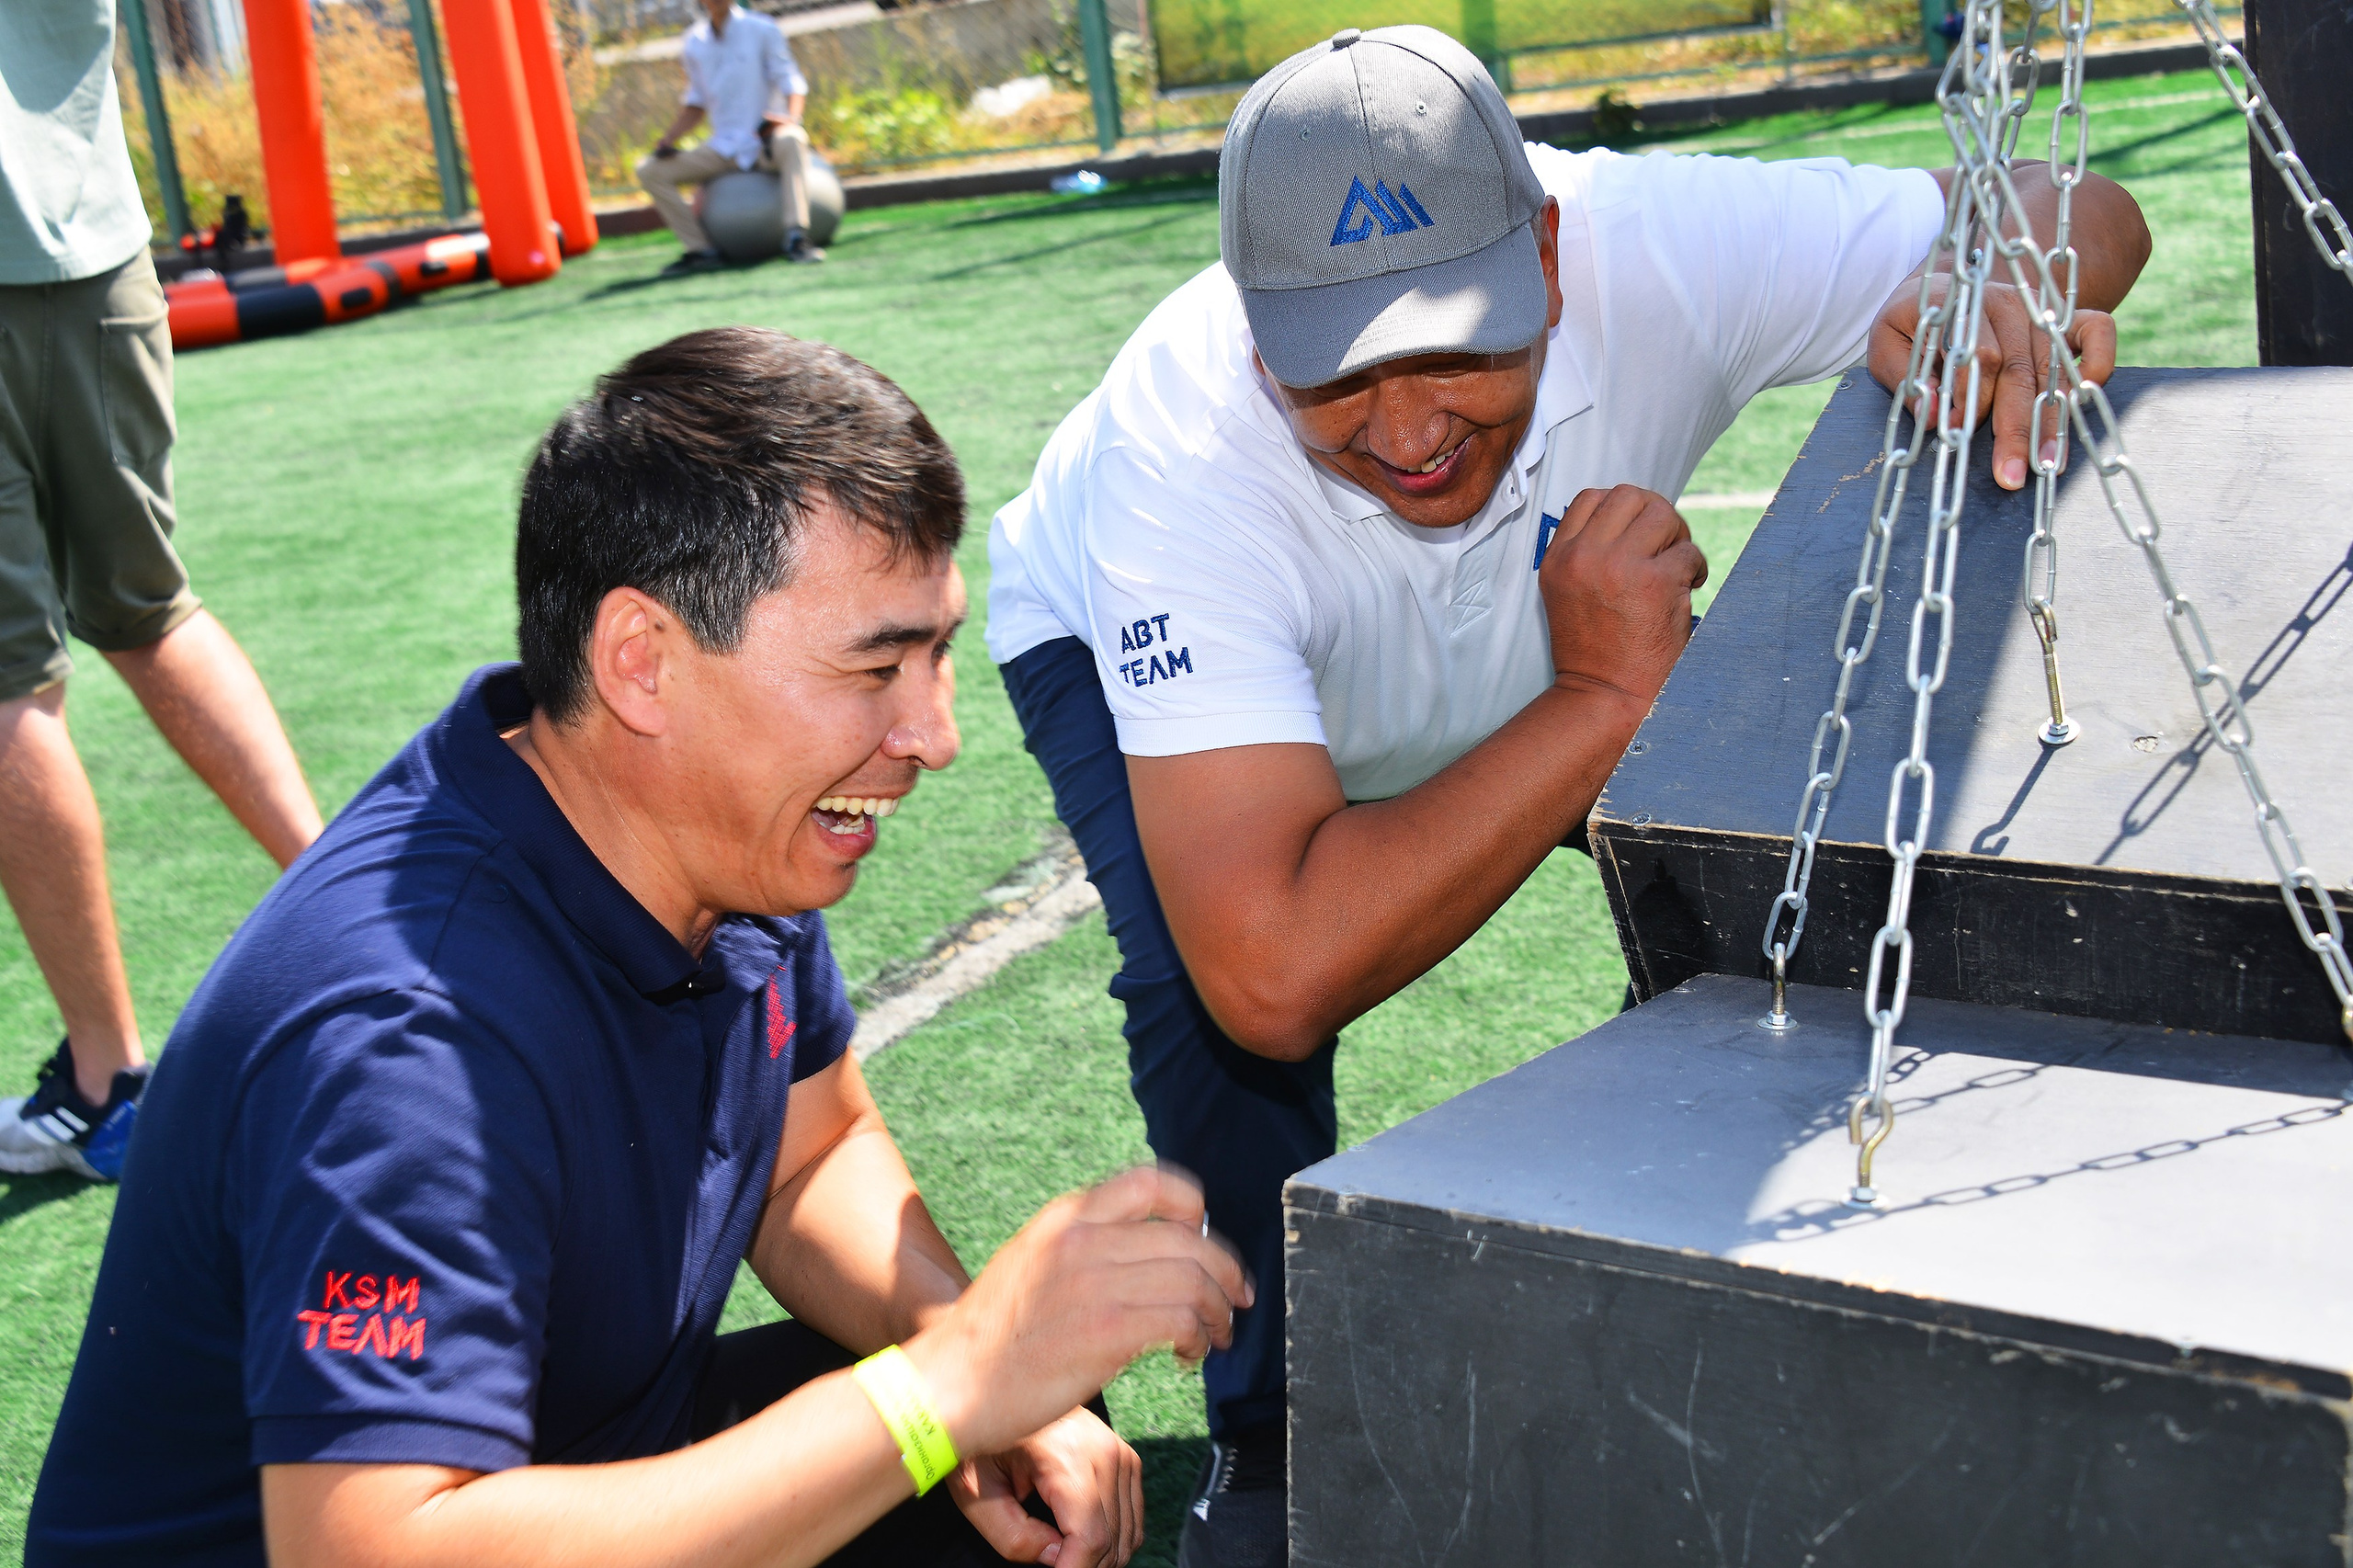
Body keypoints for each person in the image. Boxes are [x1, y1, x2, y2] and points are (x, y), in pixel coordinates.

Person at [985, 24, 2152, 1564]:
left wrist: (1997, 280)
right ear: (1256, 331)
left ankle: (1770, 1251)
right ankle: (1276, 1438)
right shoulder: (1179, 455)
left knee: (1781, 797)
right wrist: (1603, 703)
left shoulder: (1653, 244)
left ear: (1547, 242)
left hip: (1559, 629)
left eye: (1459, 338)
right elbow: (1271, 968)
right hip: (1239, 671)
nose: (1407, 431)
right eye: (1336, 368)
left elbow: (2093, 207)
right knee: (1213, 1018)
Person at [27, 329, 1249, 1568]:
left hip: (561, 1464)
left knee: (1025, 1447)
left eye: (935, 653)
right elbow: (367, 1548)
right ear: (641, 664)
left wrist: (976, 1347)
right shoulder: (410, 1029)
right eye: (877, 664)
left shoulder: (715, 834)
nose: (934, 733)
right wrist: (940, 1385)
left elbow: (807, 1151)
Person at [0, 0, 323, 1183]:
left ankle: (106, 1084)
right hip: (96, 254)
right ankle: (378, 923)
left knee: (5, 688)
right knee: (151, 609)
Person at [638, 0, 824, 271]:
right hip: (723, 148)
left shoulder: (762, 28)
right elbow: (696, 102)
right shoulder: (694, 41)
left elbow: (791, 81)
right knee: (650, 170)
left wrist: (790, 120)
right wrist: (669, 139)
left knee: (793, 137)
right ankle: (701, 251)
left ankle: (796, 236)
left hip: (764, 142)